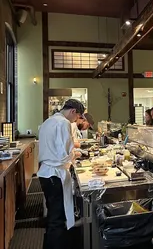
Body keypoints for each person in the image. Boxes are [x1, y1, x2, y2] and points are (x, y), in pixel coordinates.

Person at [38, 99, 85, 249]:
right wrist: (77, 154)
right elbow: (65, 153)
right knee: (56, 218)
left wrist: (73, 153)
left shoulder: (49, 121)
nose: (75, 121)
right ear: (73, 112)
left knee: (53, 215)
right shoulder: (63, 123)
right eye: (77, 117)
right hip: (54, 174)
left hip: (46, 173)